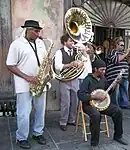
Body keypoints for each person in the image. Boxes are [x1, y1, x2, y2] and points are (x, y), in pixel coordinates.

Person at [6, 20, 47, 149]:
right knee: (24, 112)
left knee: (40, 111)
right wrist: (27, 77)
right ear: (27, 30)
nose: (38, 33)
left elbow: (45, 60)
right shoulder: (16, 44)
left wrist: (46, 72)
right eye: (35, 31)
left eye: (39, 31)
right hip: (24, 84)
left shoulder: (41, 43)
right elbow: (10, 65)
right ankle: (21, 137)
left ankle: (37, 133)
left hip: (40, 83)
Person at [77, 59, 128, 150]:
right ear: (95, 69)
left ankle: (118, 136)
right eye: (102, 70)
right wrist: (94, 97)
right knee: (96, 115)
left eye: (105, 69)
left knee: (118, 111)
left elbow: (108, 92)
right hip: (89, 105)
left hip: (102, 105)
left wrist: (115, 84)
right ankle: (94, 143)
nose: (104, 72)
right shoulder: (88, 79)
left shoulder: (103, 79)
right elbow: (81, 95)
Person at [54, 34, 84, 131]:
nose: (73, 43)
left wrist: (80, 64)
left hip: (74, 79)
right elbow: (57, 66)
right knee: (65, 102)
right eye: (70, 41)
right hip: (64, 80)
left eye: (73, 41)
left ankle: (71, 120)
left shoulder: (76, 51)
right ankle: (63, 121)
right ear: (64, 42)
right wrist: (70, 64)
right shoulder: (59, 52)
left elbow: (82, 62)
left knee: (75, 101)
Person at [105, 37, 130, 109]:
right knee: (116, 93)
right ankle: (115, 106)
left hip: (124, 76)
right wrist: (126, 54)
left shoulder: (123, 53)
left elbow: (129, 63)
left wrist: (129, 56)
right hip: (115, 76)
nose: (123, 46)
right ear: (116, 45)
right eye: (121, 45)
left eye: (123, 45)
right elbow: (116, 60)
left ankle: (124, 105)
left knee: (124, 91)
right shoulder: (112, 52)